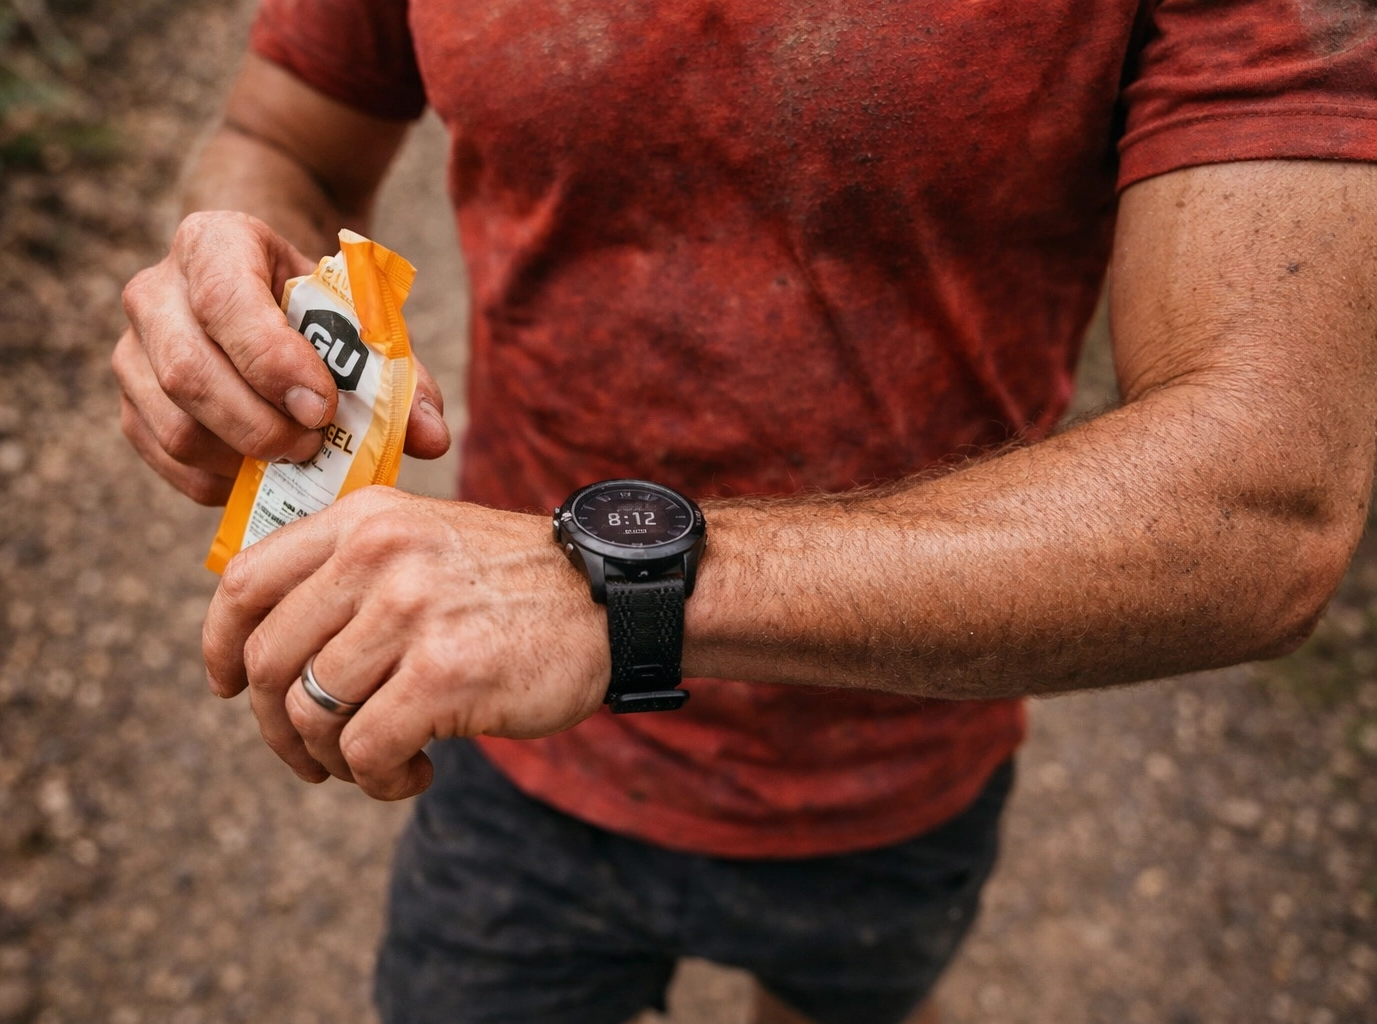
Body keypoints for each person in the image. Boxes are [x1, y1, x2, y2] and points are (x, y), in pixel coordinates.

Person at [110, 2, 1377, 1022]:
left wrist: (610, 585)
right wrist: (230, 281)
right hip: (505, 742)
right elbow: (285, 139)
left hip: (896, 759)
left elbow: (1268, 501)